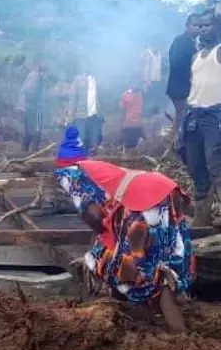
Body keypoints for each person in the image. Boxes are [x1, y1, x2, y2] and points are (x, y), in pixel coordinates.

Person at [54, 130, 194, 334]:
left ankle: (177, 331)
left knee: (132, 268)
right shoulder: (95, 168)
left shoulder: (70, 174)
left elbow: (94, 216)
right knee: (161, 259)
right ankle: (164, 309)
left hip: (141, 205)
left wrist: (96, 252)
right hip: (164, 190)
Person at [178, 10, 221, 228]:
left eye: (207, 25)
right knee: (195, 165)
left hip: (215, 115)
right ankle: (202, 214)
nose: (203, 29)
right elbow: (194, 88)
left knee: (215, 164)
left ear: (217, 27)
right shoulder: (196, 57)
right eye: (200, 25)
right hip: (194, 114)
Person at [166, 14, 201, 136]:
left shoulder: (196, 42)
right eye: (195, 25)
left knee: (180, 115)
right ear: (187, 26)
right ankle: (178, 143)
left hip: (185, 87)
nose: (198, 28)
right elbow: (175, 62)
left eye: (200, 26)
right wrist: (191, 73)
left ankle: (174, 142)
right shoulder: (180, 41)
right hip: (180, 87)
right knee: (183, 116)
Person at [19, 63, 48, 153]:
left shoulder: (33, 76)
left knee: (29, 130)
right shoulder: (36, 78)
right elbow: (29, 91)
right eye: (46, 73)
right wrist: (37, 102)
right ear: (43, 72)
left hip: (29, 108)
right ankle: (34, 151)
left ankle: (25, 151)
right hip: (33, 109)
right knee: (36, 130)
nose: (47, 75)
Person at [121, 82, 146, 153]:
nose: (137, 84)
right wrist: (122, 124)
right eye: (134, 82)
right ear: (130, 84)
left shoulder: (140, 94)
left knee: (136, 146)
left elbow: (141, 110)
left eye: (138, 83)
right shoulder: (126, 94)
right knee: (129, 145)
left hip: (138, 124)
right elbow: (123, 110)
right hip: (129, 124)